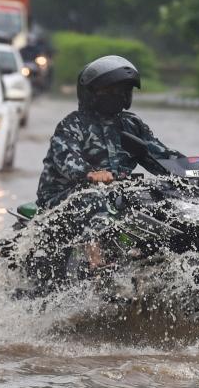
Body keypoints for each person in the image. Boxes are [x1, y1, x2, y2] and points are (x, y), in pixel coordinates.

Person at [33, 55, 180, 270]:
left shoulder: (132, 124)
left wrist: (193, 171)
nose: (119, 95)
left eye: (124, 90)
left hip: (113, 194)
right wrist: (90, 173)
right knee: (93, 194)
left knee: (161, 199)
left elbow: (160, 156)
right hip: (63, 199)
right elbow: (66, 158)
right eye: (110, 90)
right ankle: (97, 262)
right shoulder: (72, 124)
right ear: (91, 93)